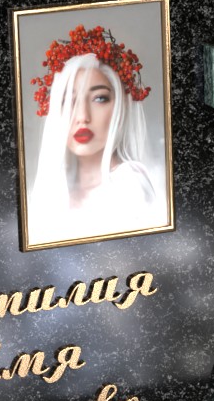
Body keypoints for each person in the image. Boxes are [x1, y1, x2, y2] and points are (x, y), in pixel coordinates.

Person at [25, 25, 167, 246]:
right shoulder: (51, 191)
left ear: (120, 106)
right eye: (68, 101)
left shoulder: (129, 184)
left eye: (99, 98)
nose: (82, 116)